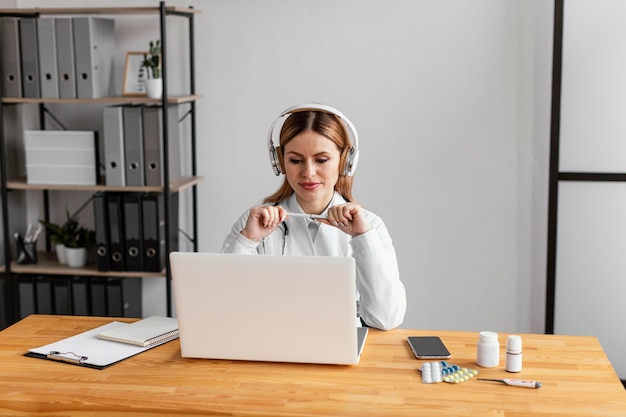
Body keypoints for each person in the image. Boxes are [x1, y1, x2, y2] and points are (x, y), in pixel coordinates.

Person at [221, 104, 406, 330]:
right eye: (296, 160)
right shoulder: (254, 223)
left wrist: (362, 237)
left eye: (321, 160)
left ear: (345, 161)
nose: (308, 173)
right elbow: (224, 309)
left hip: (342, 351)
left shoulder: (370, 226)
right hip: (273, 348)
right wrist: (247, 240)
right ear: (280, 163)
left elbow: (386, 318)